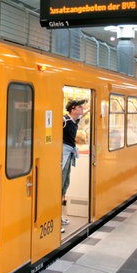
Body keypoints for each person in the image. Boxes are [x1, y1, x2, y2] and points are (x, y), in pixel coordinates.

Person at [61, 98, 88, 231]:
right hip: (63, 155)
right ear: (73, 109)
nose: (82, 110)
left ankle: (59, 215)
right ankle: (56, 217)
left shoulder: (74, 120)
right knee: (60, 185)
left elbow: (85, 112)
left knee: (65, 184)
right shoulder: (64, 121)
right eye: (80, 107)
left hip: (69, 154)